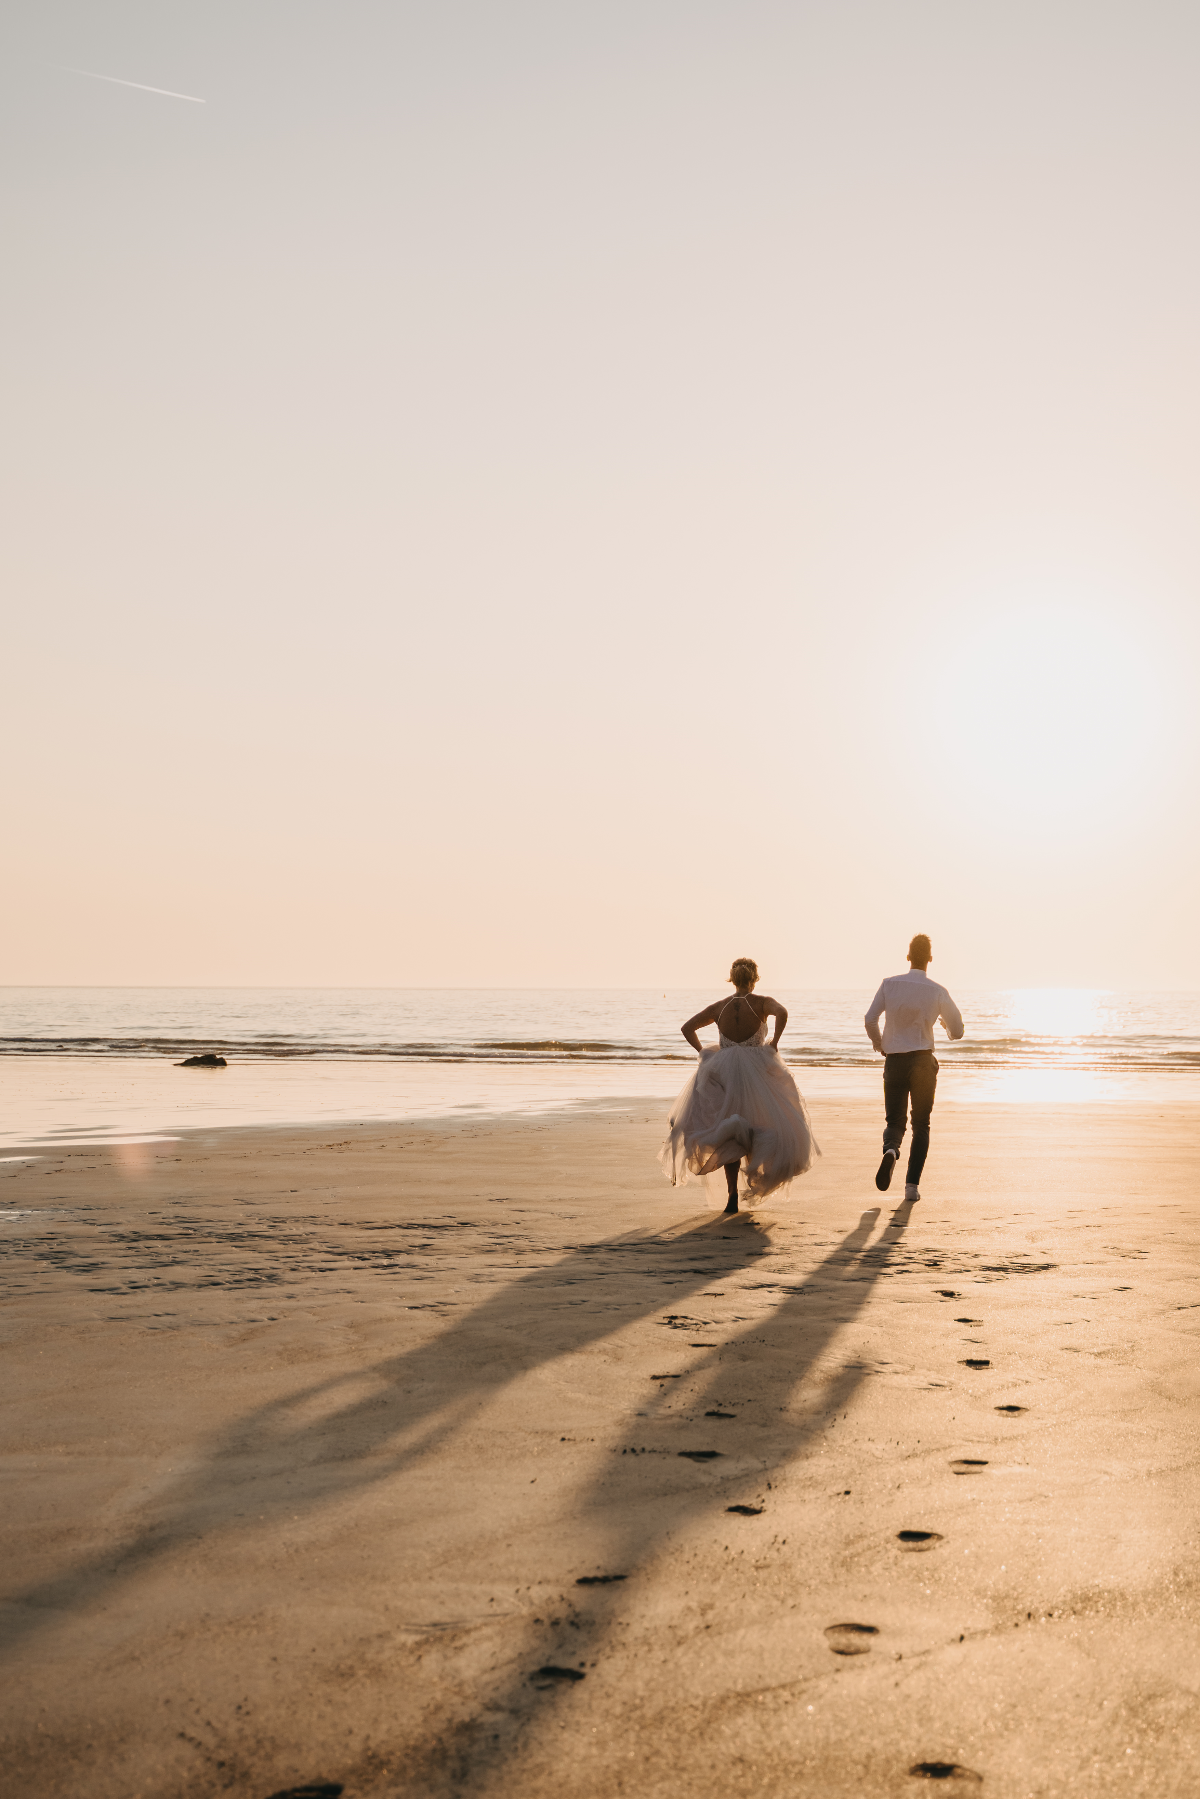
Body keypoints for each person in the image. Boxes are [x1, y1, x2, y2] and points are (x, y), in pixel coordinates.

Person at [659, 958, 818, 1213]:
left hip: (723, 1071)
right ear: (754, 979)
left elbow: (687, 1027)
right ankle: (754, 1178)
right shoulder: (761, 1003)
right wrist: (774, 1041)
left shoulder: (720, 1007)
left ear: (732, 979)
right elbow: (783, 1012)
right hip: (756, 1071)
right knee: (759, 1124)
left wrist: (705, 1053)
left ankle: (732, 1193)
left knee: (729, 1130)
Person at [864, 933, 964, 1202]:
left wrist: (880, 1044)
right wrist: (944, 1027)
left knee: (895, 1121)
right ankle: (911, 1187)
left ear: (908, 957)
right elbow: (958, 1030)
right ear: (930, 958)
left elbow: (870, 1019)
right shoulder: (937, 990)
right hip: (922, 1062)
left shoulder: (889, 984)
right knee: (921, 1124)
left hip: (894, 1061)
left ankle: (891, 1151)